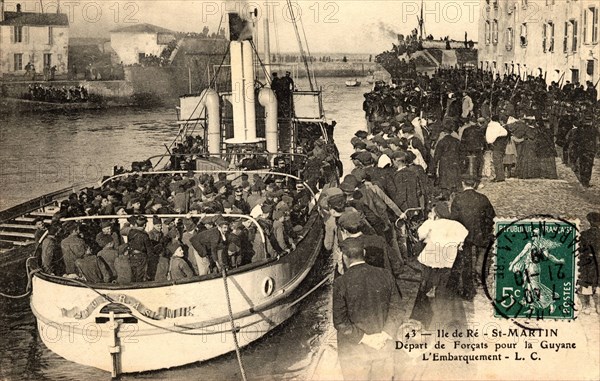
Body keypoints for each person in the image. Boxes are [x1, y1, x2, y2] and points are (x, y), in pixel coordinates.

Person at [332, 238, 402, 381]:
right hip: (383, 346)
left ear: (344, 257)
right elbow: (398, 309)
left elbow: (340, 322)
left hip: (355, 353)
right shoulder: (385, 274)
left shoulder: (341, 283)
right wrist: (385, 333)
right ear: (364, 252)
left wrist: (364, 338)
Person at [450, 176, 496, 299]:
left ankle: (468, 288)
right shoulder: (483, 198)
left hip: (464, 234)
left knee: (466, 260)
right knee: (482, 254)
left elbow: (454, 219)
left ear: (463, 183)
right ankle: (479, 276)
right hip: (480, 233)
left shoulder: (458, 199)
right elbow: (491, 215)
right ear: (475, 185)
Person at [417, 203, 468, 298]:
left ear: (436, 214)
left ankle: (425, 282)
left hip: (434, 250)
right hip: (449, 252)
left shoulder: (431, 223)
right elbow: (464, 233)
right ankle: (436, 288)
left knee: (427, 265)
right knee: (442, 270)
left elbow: (421, 236)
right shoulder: (455, 224)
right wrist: (459, 244)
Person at [509, 229, 565, 314]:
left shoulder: (533, 245)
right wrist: (558, 261)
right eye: (532, 234)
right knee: (529, 287)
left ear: (539, 236)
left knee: (535, 287)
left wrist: (558, 261)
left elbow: (548, 256)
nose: (533, 236)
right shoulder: (538, 245)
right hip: (531, 267)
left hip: (533, 268)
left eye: (534, 234)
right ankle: (532, 308)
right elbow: (548, 256)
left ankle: (551, 302)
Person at [579, 212, 600, 314]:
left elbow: (580, 250)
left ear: (589, 222)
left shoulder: (584, 234)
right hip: (599, 261)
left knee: (586, 282)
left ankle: (587, 306)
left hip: (587, 261)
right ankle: (598, 305)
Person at [485, 115, 508, 182]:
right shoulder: (499, 126)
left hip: (496, 144)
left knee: (496, 160)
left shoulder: (491, 126)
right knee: (499, 160)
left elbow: (489, 137)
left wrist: (490, 142)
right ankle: (500, 176)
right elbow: (505, 133)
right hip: (501, 143)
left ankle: (499, 177)